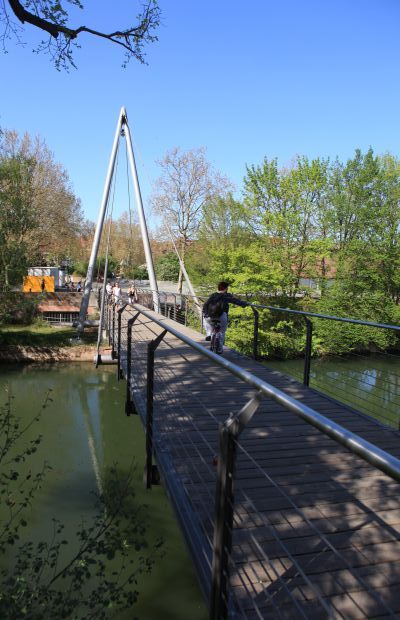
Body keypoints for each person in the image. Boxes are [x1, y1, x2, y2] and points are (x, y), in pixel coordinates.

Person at [202, 281, 249, 354]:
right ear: (226, 288)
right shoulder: (226, 295)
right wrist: (245, 304)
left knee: (207, 322)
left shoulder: (213, 295)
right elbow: (235, 301)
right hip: (221, 316)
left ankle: (209, 334)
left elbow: (206, 305)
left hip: (209, 316)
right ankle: (220, 349)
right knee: (222, 332)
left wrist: (205, 313)